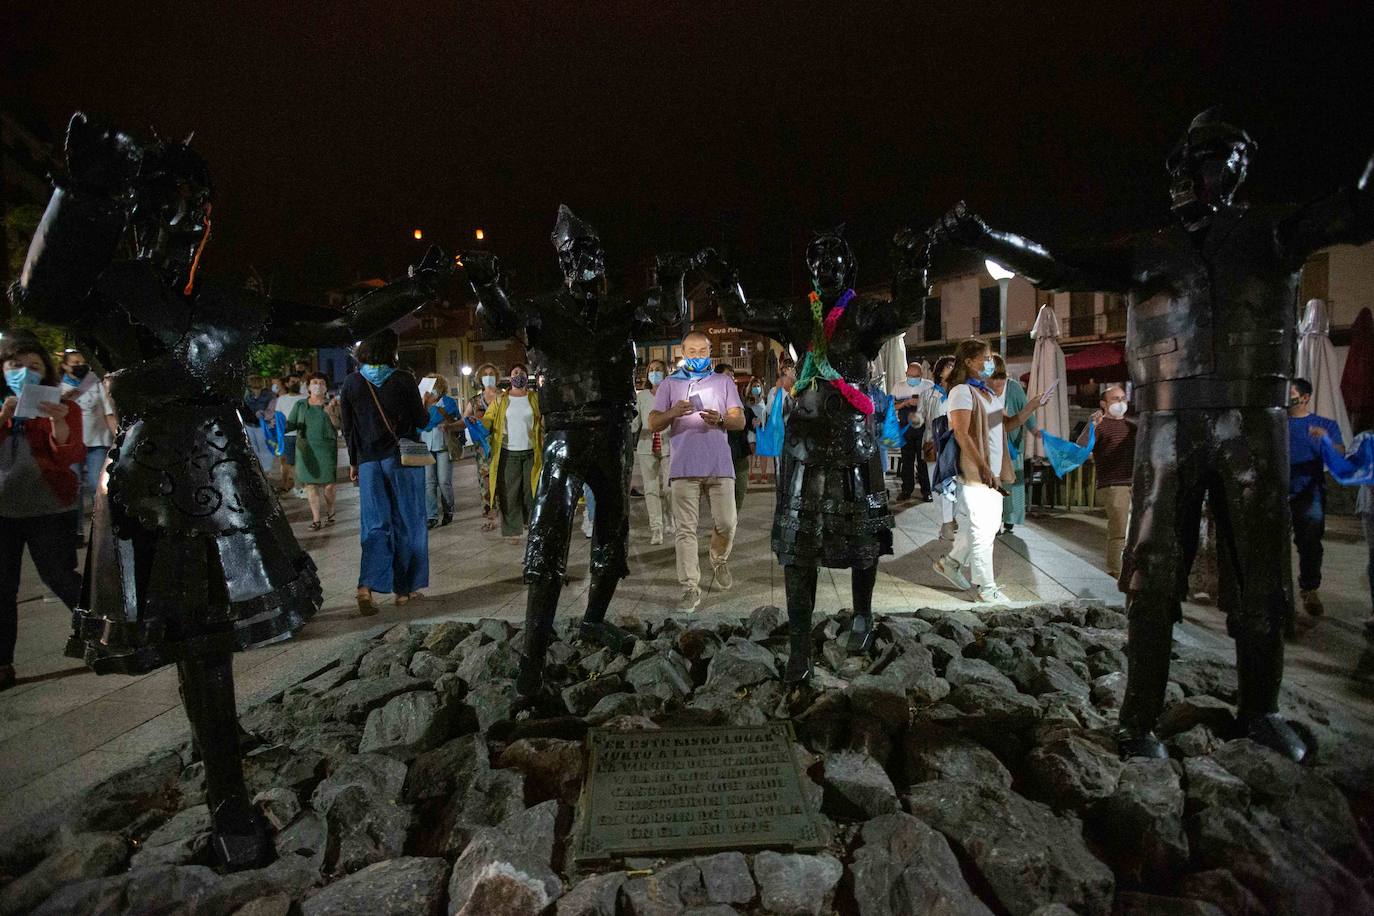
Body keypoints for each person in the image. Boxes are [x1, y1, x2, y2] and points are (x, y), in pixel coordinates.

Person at [10, 112, 451, 867]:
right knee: (200, 636)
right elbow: (37, 295)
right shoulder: (106, 290)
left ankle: (222, 753)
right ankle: (227, 800)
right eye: (175, 201)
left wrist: (416, 286)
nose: (191, 218)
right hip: (155, 476)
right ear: (145, 212)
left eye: (199, 205)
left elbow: (339, 322)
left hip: (224, 475)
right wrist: (78, 193)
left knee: (211, 632)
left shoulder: (226, 304)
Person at [934, 109, 1374, 761]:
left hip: (1255, 425)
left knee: (1259, 572)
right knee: (1153, 572)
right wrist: (986, 234)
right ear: (1191, 167)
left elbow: (1356, 210)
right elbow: (1058, 265)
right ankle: (1137, 720)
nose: (1227, 170)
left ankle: (1259, 711)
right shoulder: (1151, 251)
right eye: (1215, 157)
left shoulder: (1272, 233)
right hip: (1167, 429)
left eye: (1235, 159)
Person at [463, 205, 692, 696]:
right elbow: (498, 319)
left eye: (588, 251)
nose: (580, 260)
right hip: (565, 436)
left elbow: (671, 321)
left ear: (601, 259)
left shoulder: (622, 310)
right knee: (548, 537)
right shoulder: (543, 311)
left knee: (613, 531)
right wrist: (486, 285)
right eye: (571, 253)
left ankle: (593, 619)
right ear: (561, 262)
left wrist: (672, 279)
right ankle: (532, 658)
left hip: (613, 433)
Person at [703, 226, 927, 679]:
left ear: (849, 268)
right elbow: (743, 311)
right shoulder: (794, 312)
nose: (827, 268)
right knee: (797, 545)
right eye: (819, 262)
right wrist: (725, 277)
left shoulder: (863, 314)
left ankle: (862, 616)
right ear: (811, 270)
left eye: (835, 260)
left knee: (863, 539)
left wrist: (911, 263)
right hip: (804, 443)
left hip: (853, 442)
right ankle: (801, 645)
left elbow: (906, 310)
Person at [0, 332, 85, 691]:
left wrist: (59, 424)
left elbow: (70, 456)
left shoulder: (63, 404)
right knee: (2, 588)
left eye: (33, 366)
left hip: (49, 507)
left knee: (61, 576)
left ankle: (107, 635)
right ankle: (2, 663)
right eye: (15, 366)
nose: (24, 373)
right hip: (3, 510)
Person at [932, 339, 1042, 603]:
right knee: (983, 530)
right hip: (976, 472)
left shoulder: (987, 393)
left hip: (992, 470)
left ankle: (951, 563)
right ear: (969, 362)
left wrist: (1031, 408)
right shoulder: (961, 392)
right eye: (986, 357)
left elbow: (1002, 426)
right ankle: (986, 588)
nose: (990, 362)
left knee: (984, 528)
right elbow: (961, 433)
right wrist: (982, 467)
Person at [648, 332, 746, 611]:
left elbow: (739, 421)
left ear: (710, 351)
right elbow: (653, 422)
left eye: (702, 350)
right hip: (684, 467)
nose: (697, 355)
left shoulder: (723, 381)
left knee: (727, 522)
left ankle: (719, 559)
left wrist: (722, 419)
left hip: (719, 465)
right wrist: (673, 412)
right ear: (682, 352)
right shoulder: (669, 384)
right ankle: (690, 587)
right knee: (685, 530)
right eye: (691, 351)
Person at [340, 330, 432, 615]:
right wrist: (426, 404)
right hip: (401, 460)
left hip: (368, 463)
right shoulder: (402, 378)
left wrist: (354, 462)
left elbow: (348, 428)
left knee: (375, 524)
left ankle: (365, 586)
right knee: (408, 522)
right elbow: (421, 420)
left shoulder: (351, 382)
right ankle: (403, 590)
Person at [1287, 377, 1343, 620]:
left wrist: (1326, 441)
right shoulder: (1277, 423)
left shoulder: (1323, 424)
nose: (1287, 396)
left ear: (1305, 397)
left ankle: (1309, 589)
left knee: (1310, 542)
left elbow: (1340, 453)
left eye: (1291, 392)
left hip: (1309, 491)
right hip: (1278, 490)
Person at [1075, 385, 1138, 578]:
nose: (1120, 403)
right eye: (1115, 399)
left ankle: (1131, 571)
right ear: (1103, 403)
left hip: (1134, 483)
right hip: (1113, 484)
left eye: (1123, 399)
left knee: (1135, 531)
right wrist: (1091, 425)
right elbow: (1081, 446)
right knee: (1119, 530)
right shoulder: (1099, 425)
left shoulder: (1132, 426)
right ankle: (1116, 572)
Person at [484, 363, 542, 544]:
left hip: (531, 452)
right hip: (508, 453)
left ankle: (533, 526)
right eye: (515, 372)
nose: (518, 375)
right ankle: (512, 531)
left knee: (530, 492)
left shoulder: (534, 398)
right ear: (510, 378)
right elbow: (488, 419)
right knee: (510, 493)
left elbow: (542, 420)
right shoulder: (501, 400)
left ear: (526, 377)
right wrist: (479, 423)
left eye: (521, 373)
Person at [59, 348, 117, 527]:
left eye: (82, 362)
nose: (80, 366)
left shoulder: (96, 383)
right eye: (75, 363)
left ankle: (100, 526)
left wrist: (117, 437)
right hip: (72, 445)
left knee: (96, 484)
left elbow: (109, 413)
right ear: (65, 366)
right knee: (74, 488)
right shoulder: (58, 387)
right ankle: (76, 530)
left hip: (97, 443)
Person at [988, 355, 1036, 534]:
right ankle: (994, 520)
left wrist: (1035, 430)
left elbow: (1026, 411)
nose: (998, 381)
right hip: (992, 445)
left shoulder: (1013, 387)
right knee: (994, 484)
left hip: (1012, 445)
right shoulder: (983, 388)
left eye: (1000, 377)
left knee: (1011, 484)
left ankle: (1009, 518)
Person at [288, 373, 341, 530]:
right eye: (314, 382)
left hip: (327, 449)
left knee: (329, 486)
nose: (318, 385)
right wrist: (275, 425)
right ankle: (316, 519)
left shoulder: (332, 404)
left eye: (321, 383)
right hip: (305, 449)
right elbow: (290, 424)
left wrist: (330, 412)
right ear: (309, 386)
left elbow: (338, 426)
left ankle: (330, 511)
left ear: (326, 387)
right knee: (310, 485)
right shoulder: (300, 405)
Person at [634, 359, 673, 544]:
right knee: (650, 490)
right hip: (646, 446)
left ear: (665, 373)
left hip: (668, 445)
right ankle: (656, 529)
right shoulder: (642, 397)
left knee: (669, 488)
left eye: (658, 370)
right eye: (651, 370)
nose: (654, 373)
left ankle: (670, 517)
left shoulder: (671, 394)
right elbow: (635, 425)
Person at [920, 355, 958, 539]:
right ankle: (946, 521)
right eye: (948, 366)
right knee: (938, 485)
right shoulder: (927, 394)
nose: (951, 369)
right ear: (940, 370)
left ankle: (950, 519)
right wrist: (914, 421)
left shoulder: (960, 392)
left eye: (954, 366)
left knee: (954, 484)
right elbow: (919, 418)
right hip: (933, 444)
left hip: (956, 444)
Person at [465, 363, 501, 531]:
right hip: (483, 450)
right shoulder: (475, 401)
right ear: (480, 378)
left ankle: (510, 517)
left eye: (491, 373)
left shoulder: (504, 398)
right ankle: (490, 517)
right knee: (486, 484)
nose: (488, 376)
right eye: (485, 374)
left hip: (503, 446)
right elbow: (465, 418)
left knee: (505, 482)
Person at [420, 373, 459, 529]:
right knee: (429, 483)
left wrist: (444, 419)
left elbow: (455, 419)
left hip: (443, 444)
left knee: (443, 481)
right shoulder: (421, 403)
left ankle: (448, 509)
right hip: (425, 445)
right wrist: (423, 404)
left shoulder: (448, 402)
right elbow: (420, 422)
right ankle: (432, 516)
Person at [891, 361, 932, 501]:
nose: (912, 378)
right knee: (907, 460)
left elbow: (934, 406)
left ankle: (927, 491)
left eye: (915, 376)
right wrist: (905, 403)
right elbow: (891, 406)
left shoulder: (928, 386)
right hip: (905, 427)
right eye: (910, 375)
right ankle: (906, 490)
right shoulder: (898, 386)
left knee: (923, 461)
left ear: (921, 375)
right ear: (906, 374)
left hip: (923, 427)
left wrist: (920, 402)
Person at [726, 369, 754, 512]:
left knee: (740, 491)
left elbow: (748, 420)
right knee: (724, 496)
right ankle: (724, 524)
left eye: (731, 376)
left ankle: (732, 523)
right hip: (722, 458)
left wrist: (754, 422)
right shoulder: (711, 401)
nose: (730, 379)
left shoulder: (739, 401)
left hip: (740, 454)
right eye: (727, 376)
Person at [274, 376, 306, 498]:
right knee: (291, 462)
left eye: (297, 381)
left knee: (303, 461)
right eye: (293, 381)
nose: (296, 383)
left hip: (302, 435)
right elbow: (279, 419)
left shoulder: (305, 398)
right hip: (287, 436)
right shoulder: (281, 399)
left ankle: (302, 486)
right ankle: (299, 486)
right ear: (287, 384)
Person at [746, 375, 769, 483]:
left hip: (763, 429)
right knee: (751, 450)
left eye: (758, 386)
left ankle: (763, 474)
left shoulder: (764, 400)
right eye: (754, 386)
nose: (756, 388)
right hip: (752, 430)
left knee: (763, 452)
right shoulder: (748, 401)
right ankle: (750, 473)